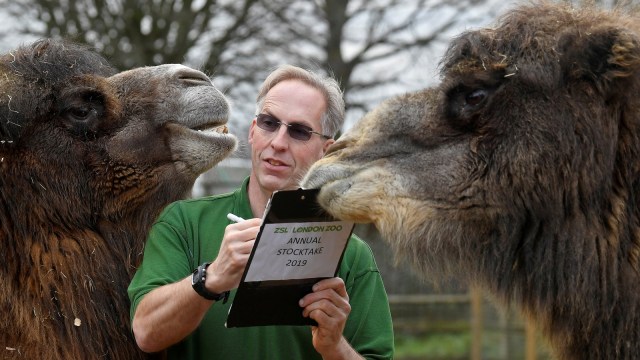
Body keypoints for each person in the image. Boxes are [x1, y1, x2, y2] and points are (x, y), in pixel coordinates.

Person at [128, 64, 394, 360]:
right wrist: (211, 279)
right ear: (253, 131)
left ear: (325, 151)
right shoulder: (183, 223)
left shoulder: (351, 255)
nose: (278, 143)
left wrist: (334, 346)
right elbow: (145, 334)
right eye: (269, 123)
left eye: (299, 131)